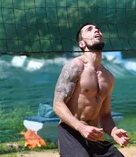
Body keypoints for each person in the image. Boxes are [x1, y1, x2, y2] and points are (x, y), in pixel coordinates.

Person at [53, 22, 130, 157]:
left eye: (98, 29)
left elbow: (105, 115)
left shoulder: (108, 76)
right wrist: (81, 128)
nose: (96, 31)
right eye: (89, 30)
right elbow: (58, 105)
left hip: (94, 134)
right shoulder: (75, 67)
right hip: (71, 131)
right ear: (82, 44)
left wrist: (113, 131)